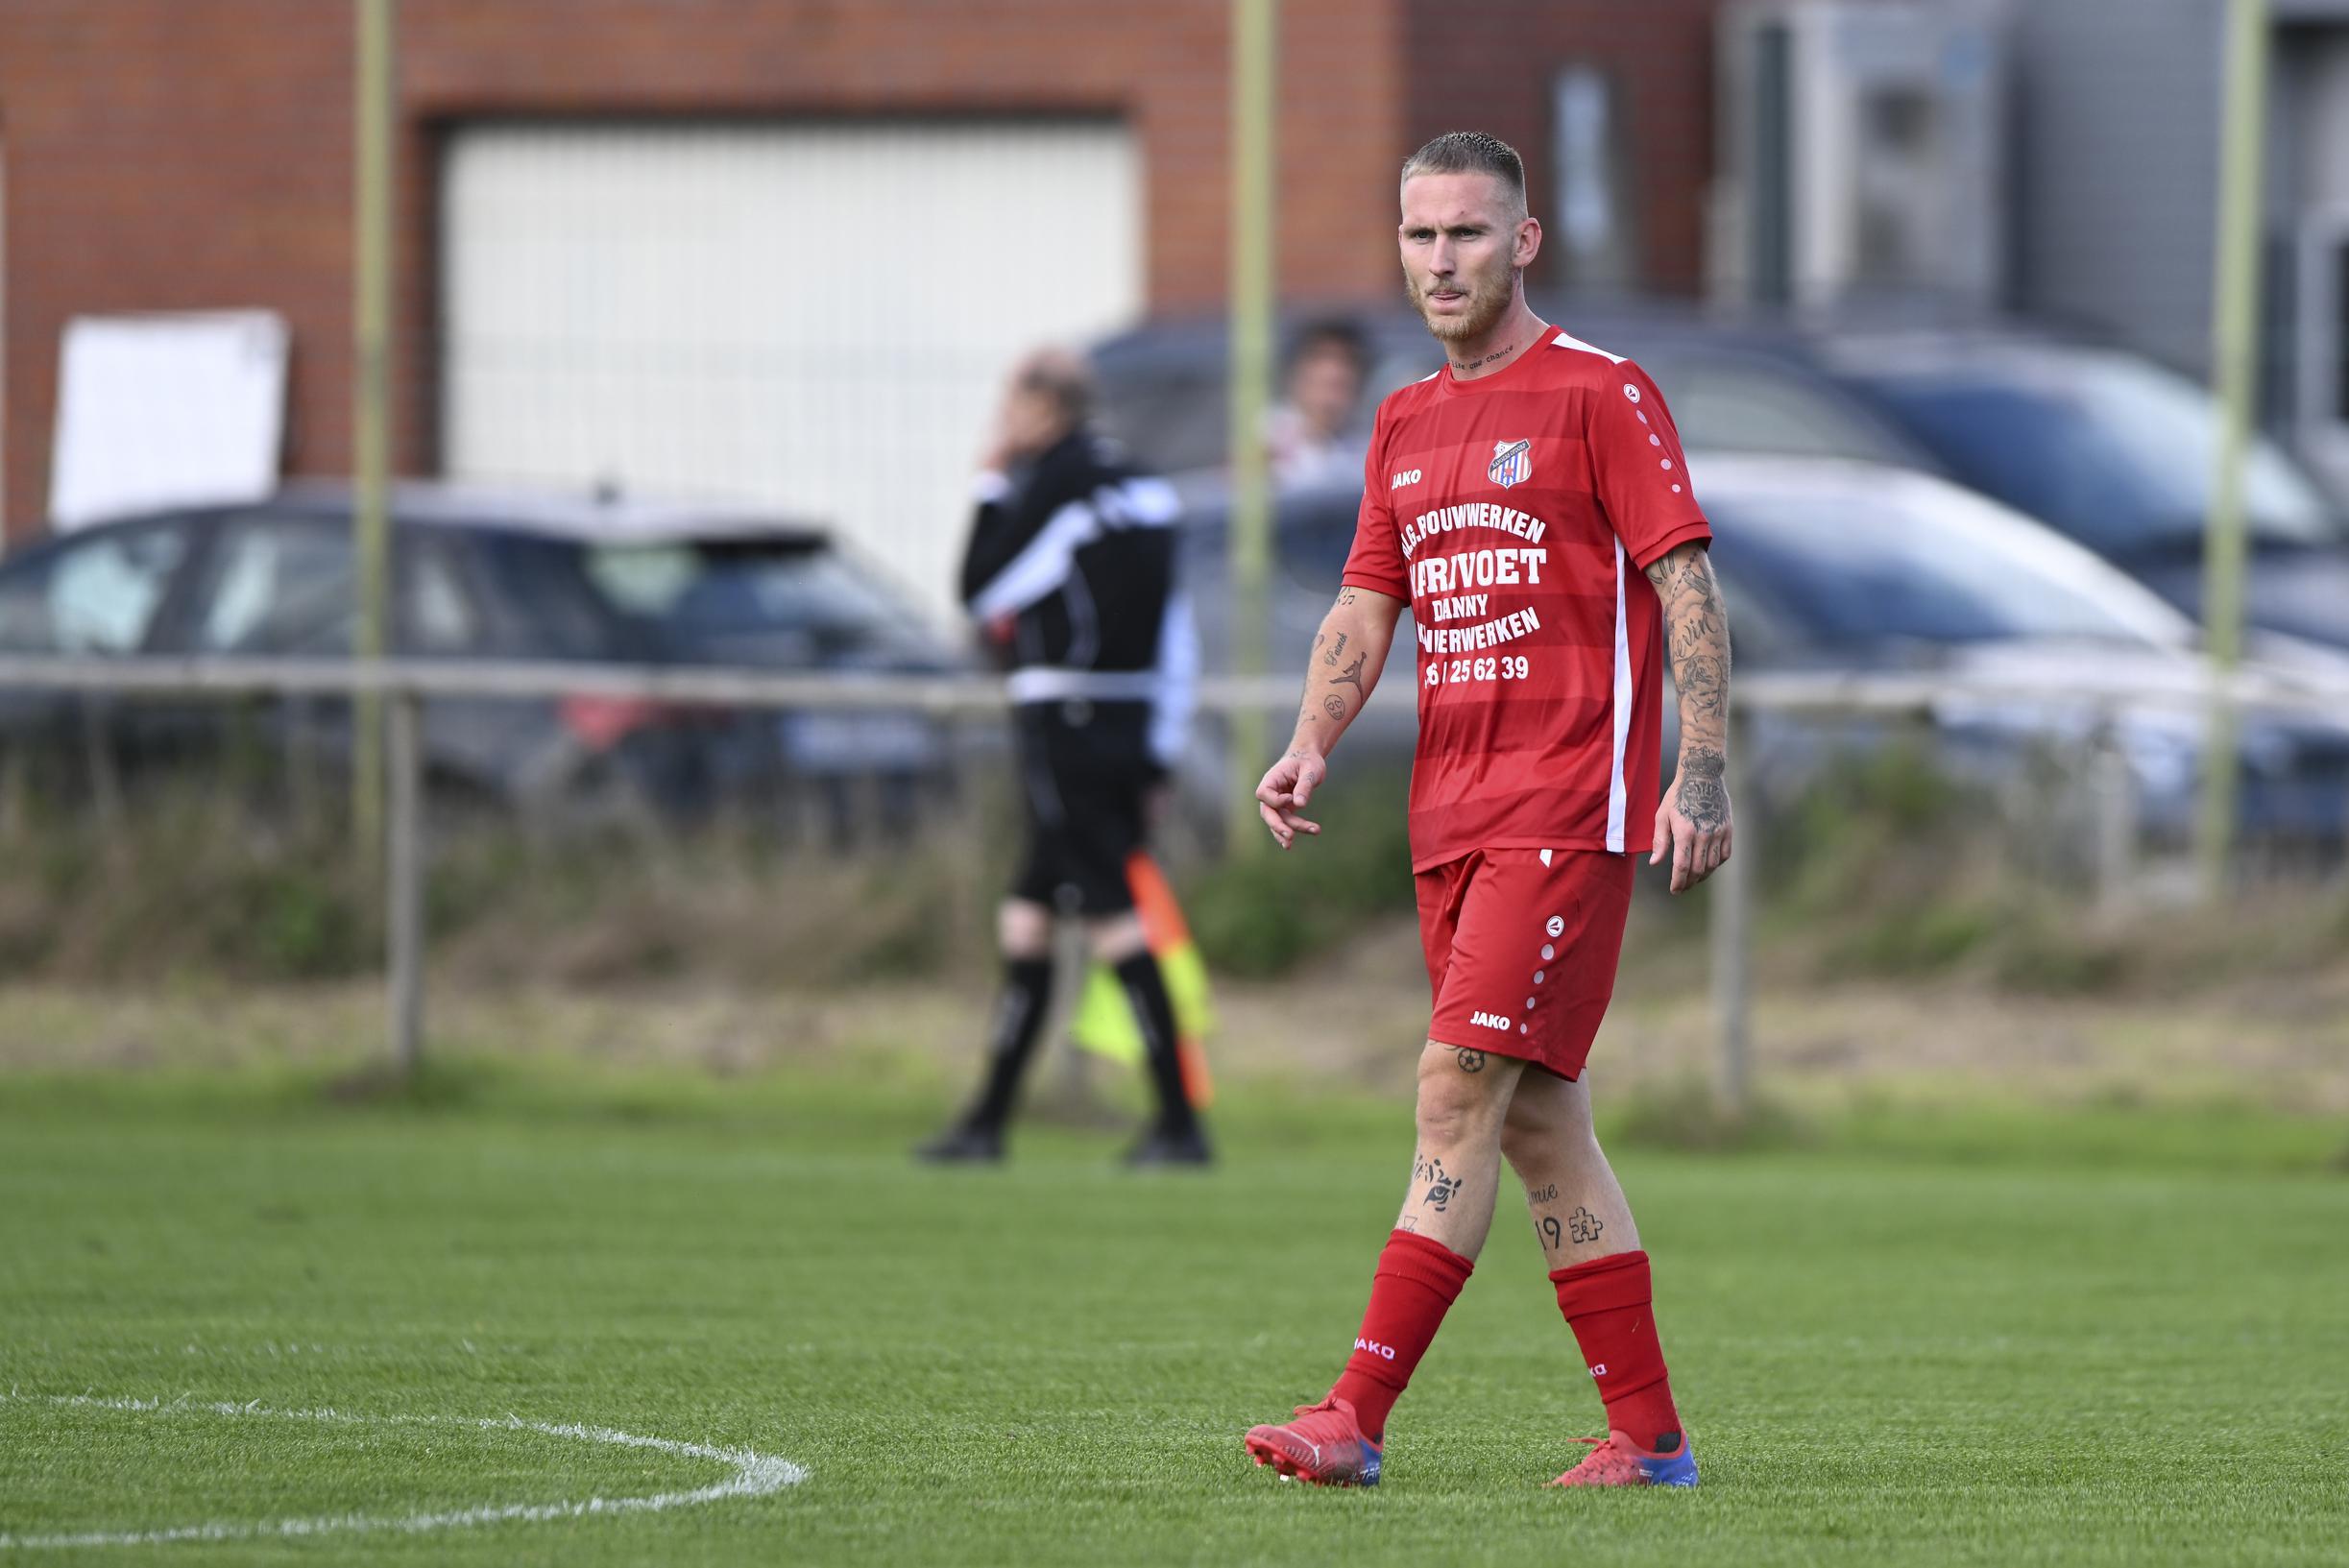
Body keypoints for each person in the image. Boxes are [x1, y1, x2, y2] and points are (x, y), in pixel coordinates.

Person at [1240, 132, 1733, 1488]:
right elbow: (1366, 600)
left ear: (1522, 241)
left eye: (1466, 233)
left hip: (1564, 806)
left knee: (1453, 1088)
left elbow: (1684, 583)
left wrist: (1700, 766)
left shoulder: (1599, 393)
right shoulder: (1400, 421)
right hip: (1445, 816)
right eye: (1418, 236)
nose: (1440, 260)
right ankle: (1648, 1440)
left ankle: (1353, 1415)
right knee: (1533, 1125)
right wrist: (1310, 737)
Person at [917, 348, 1210, 1168]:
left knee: (1113, 911)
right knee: (1030, 913)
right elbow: (1174, 634)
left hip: (1064, 719)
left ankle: (1181, 1124)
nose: (1002, 424)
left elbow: (981, 590)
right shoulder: (1147, 486)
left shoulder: (1059, 484)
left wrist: (987, 483)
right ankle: (987, 1121)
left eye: (1010, 407)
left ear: (1043, 410)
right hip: (1128, 717)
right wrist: (1158, 751)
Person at [1267, 318, 1372, 487]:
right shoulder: (1266, 440)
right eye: (1322, 384)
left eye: (1339, 386)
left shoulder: (1366, 445)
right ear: (1298, 376)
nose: (1329, 400)